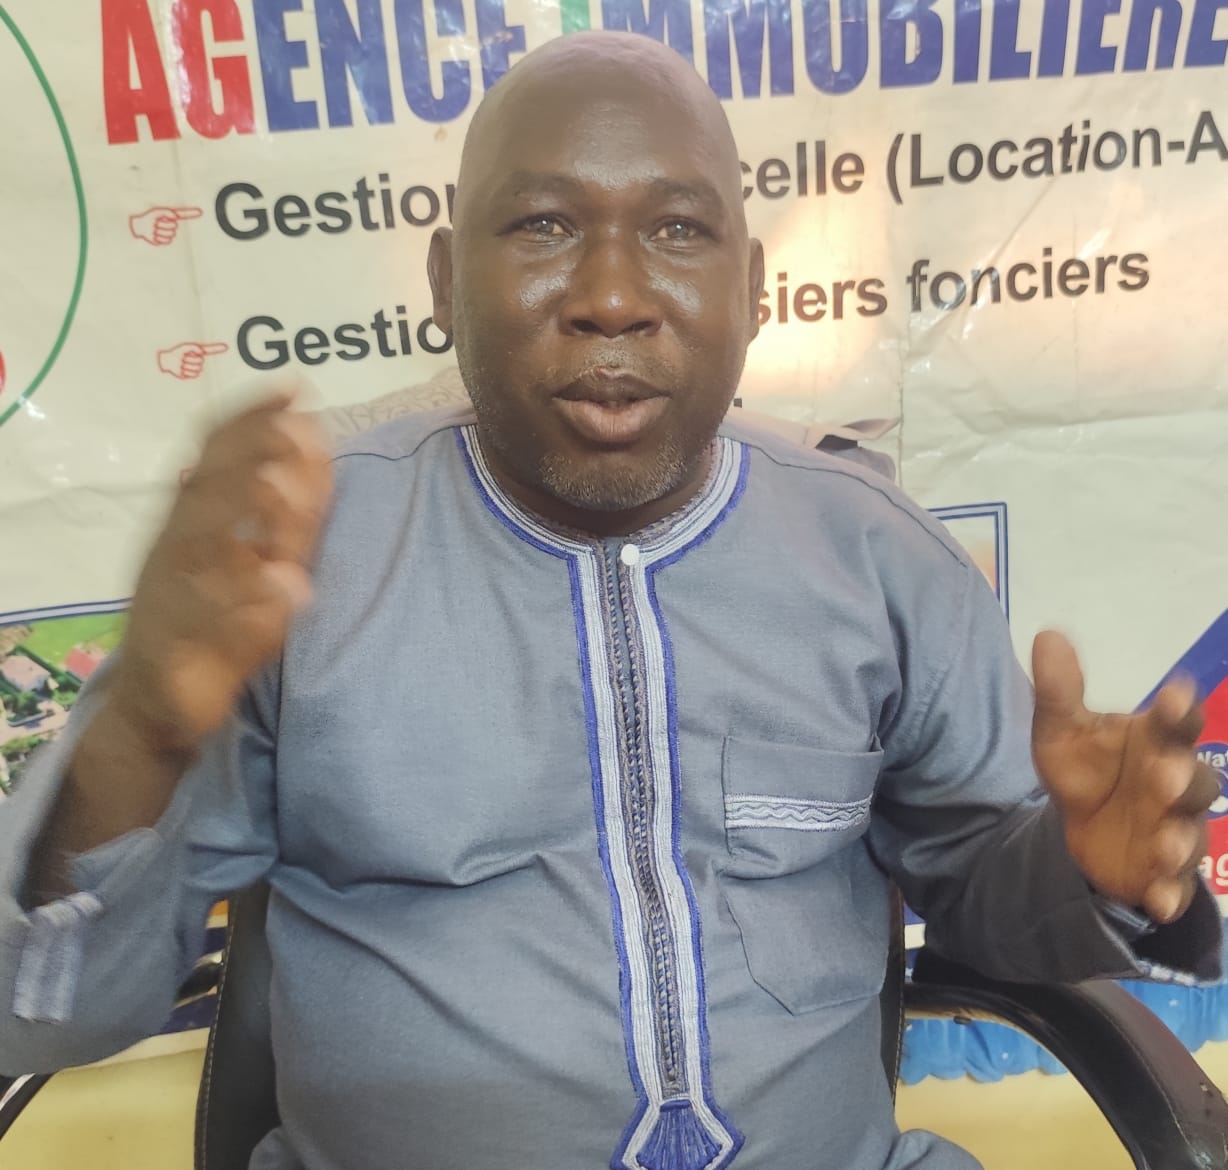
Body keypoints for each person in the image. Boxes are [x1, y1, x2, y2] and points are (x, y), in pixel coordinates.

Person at [0, 31, 1221, 1170]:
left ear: (752, 286)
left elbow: (989, 902)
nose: (613, 296)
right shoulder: (295, 562)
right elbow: (42, 1012)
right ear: (444, 278)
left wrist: (1088, 868)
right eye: (543, 224)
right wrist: (139, 736)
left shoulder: (875, 555)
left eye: (678, 231)